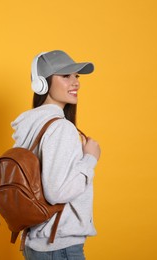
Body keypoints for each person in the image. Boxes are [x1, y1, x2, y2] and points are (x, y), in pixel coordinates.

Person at [11, 50, 101, 260]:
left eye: (76, 76)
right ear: (41, 84)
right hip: (59, 246)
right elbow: (56, 193)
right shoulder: (61, 128)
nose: (75, 83)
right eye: (65, 76)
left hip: (35, 242)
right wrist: (90, 158)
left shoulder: (29, 125)